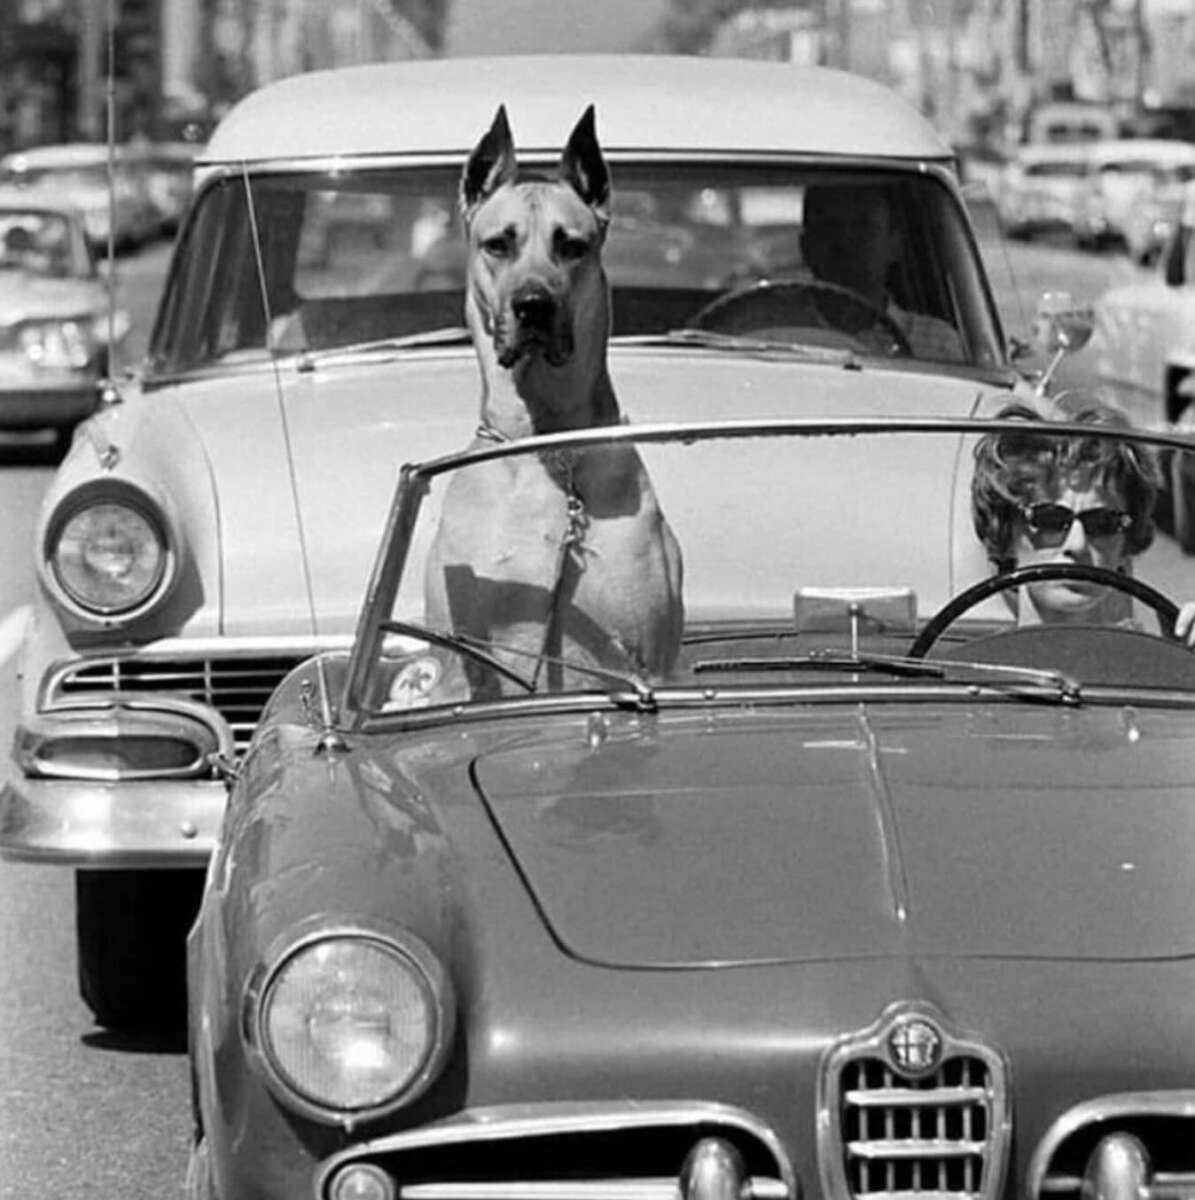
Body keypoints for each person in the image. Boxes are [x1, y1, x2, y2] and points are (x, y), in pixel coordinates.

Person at [971, 398, 1195, 643]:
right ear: (1005, 530)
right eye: (1050, 520)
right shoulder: (968, 671)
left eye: (1103, 523)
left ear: (1125, 543)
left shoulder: (1162, 661)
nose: (1077, 545)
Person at [799, 184, 964, 361]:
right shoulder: (776, 331)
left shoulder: (938, 343)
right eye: (830, 227)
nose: (846, 239)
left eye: (862, 225)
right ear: (806, 247)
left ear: (894, 245)